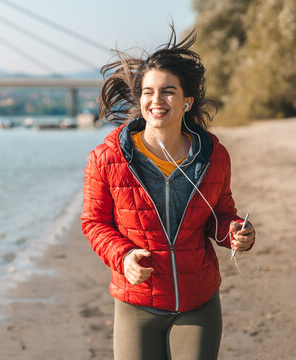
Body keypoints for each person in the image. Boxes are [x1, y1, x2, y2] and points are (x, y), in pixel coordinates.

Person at [81, 26, 256, 360]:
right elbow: (93, 222)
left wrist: (233, 232)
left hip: (198, 303)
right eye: (148, 92)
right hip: (137, 304)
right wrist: (124, 256)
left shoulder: (213, 156)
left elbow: (219, 214)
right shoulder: (108, 158)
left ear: (187, 101)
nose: (156, 101)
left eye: (168, 91)